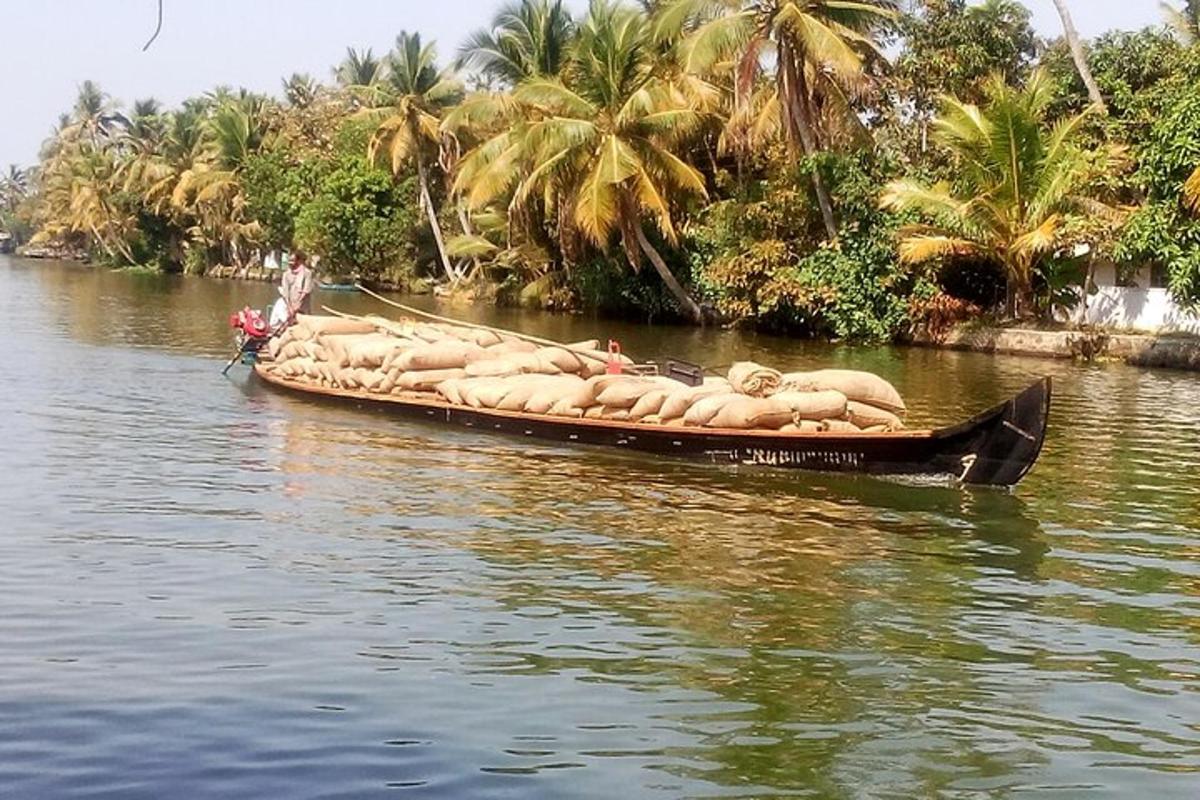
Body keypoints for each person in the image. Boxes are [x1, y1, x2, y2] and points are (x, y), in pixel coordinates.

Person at [280, 249, 314, 322]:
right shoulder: (286, 274)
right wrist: (290, 308)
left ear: (299, 261)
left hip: (303, 308)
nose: (290, 263)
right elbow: (285, 293)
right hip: (290, 308)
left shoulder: (307, 273)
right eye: (289, 260)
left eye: (292, 260)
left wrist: (297, 306)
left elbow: (306, 291)